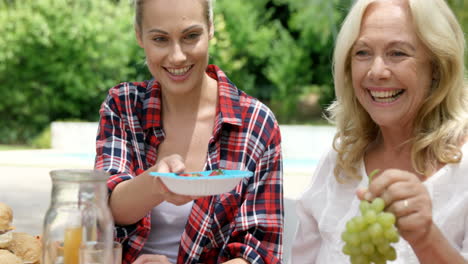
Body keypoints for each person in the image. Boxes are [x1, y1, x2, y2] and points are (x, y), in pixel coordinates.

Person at [94, 0, 283, 263]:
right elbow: (105, 206)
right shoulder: (123, 105)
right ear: (139, 36)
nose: (177, 56)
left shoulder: (255, 123)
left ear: (211, 29)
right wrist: (157, 184)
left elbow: (259, 253)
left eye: (191, 36)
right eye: (160, 39)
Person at [291, 0, 468, 263]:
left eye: (397, 53)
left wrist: (427, 239)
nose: (376, 71)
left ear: (437, 66)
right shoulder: (339, 163)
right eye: (362, 53)